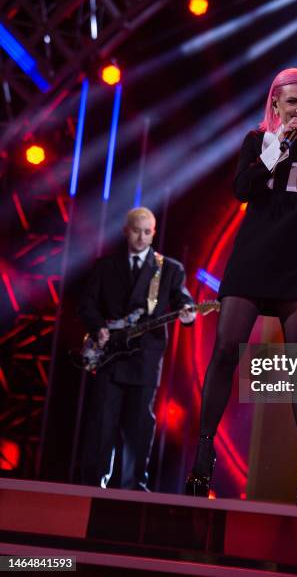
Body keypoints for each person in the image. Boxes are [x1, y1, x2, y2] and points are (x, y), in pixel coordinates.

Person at [185, 68, 297, 506]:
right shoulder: (257, 141)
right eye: (292, 102)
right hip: (254, 257)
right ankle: (203, 454)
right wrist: (279, 146)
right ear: (275, 104)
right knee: (225, 348)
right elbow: (242, 187)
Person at [79, 207, 195, 490]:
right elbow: (86, 305)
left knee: (139, 425)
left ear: (154, 233)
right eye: (136, 231)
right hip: (109, 357)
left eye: (147, 232)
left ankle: (134, 486)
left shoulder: (168, 269)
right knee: (102, 423)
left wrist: (188, 313)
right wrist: (98, 328)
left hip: (144, 357)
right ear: (125, 231)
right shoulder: (105, 266)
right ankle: (95, 483)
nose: (141, 238)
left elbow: (183, 301)